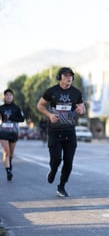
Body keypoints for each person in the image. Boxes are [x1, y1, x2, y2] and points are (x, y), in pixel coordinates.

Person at [36, 67, 86, 197]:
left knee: (68, 161)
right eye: (65, 77)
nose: (68, 79)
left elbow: (82, 106)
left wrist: (82, 109)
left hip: (70, 132)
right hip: (55, 131)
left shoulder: (76, 93)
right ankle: (52, 170)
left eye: (70, 77)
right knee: (56, 159)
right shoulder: (51, 91)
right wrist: (49, 115)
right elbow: (40, 105)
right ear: (60, 78)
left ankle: (61, 186)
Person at [0, 88, 25, 181]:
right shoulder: (1, 108)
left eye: (10, 95)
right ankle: (8, 171)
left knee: (11, 153)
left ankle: (9, 163)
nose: (8, 96)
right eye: (7, 95)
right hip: (3, 132)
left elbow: (22, 119)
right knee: (6, 151)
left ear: (13, 97)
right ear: (4, 97)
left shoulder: (16, 108)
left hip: (13, 132)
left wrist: (12, 117)